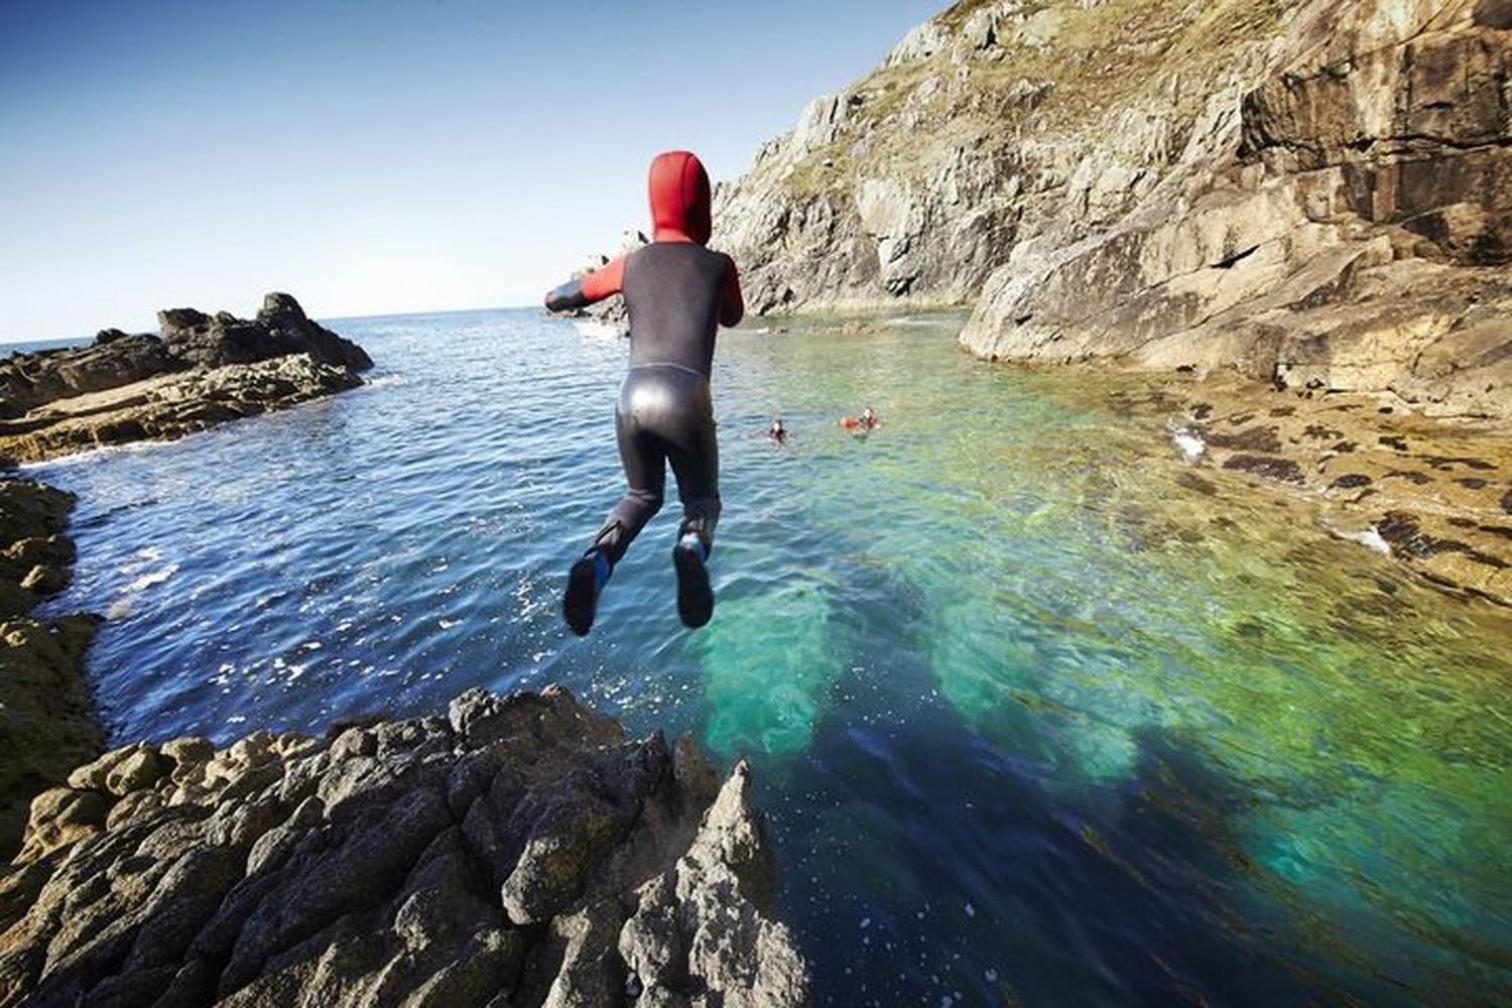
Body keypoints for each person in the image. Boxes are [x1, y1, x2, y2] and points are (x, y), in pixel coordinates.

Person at [544, 150, 743, 635]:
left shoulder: (631, 265)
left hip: (632, 398)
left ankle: (595, 564)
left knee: (640, 496)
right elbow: (733, 316)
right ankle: (690, 548)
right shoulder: (718, 264)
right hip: (686, 397)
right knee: (700, 504)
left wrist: (569, 289)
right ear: (704, 206)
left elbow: (560, 297)